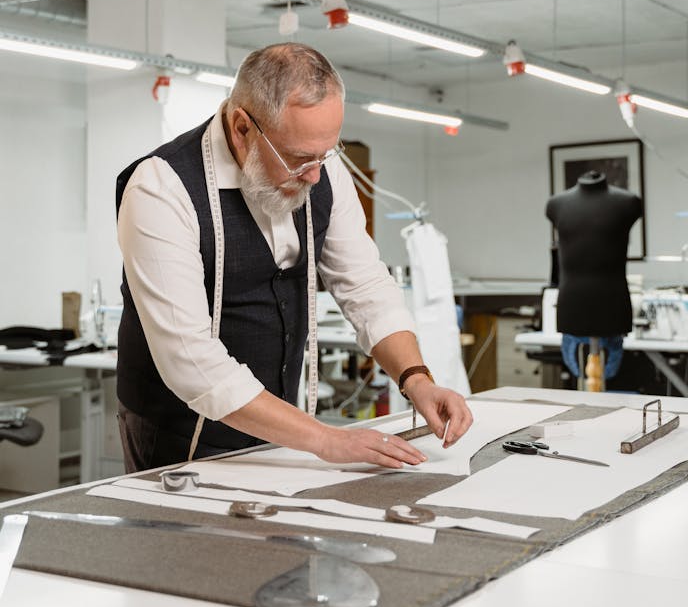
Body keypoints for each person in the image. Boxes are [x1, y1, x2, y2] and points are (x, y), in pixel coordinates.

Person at [116, 42, 473, 472]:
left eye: (325, 154)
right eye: (300, 158)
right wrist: (326, 439)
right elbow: (190, 361)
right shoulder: (161, 188)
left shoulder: (318, 165)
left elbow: (365, 285)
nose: (316, 174)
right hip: (180, 432)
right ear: (241, 127)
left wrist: (416, 377)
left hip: (282, 427)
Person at [545, 171, 642, 380]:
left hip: (612, 305)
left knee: (608, 382)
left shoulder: (629, 202)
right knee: (580, 379)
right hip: (573, 306)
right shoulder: (555, 204)